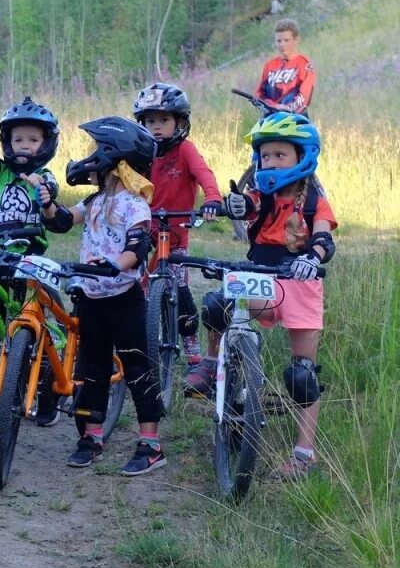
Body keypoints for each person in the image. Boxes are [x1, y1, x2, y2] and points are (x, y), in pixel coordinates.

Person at [185, 112, 336, 478]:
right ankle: (215, 364)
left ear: (302, 156)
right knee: (220, 304)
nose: (270, 162)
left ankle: (303, 454)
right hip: (261, 276)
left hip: (300, 282)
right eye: (265, 156)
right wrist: (237, 205)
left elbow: (323, 238)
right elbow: (250, 206)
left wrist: (312, 258)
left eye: (279, 155)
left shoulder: (313, 198)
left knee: (303, 376)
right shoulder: (261, 193)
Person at [46, 117, 166, 476]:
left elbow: (138, 246)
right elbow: (65, 220)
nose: (89, 157)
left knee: (137, 368)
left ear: (116, 158)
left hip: (124, 298)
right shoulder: (96, 199)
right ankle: (92, 436)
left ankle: (151, 443)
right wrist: (49, 205)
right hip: (92, 297)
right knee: (93, 369)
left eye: (96, 150)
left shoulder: (135, 205)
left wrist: (115, 264)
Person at [0, 96, 66, 425]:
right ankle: (1, 382)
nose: (24, 145)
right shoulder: (1, 173)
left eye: (33, 140)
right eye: (17, 139)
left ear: (46, 144)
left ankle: (48, 390)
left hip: (30, 257)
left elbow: (50, 192)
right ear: (8, 142)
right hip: (0, 253)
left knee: (38, 327)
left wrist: (44, 192)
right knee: (0, 321)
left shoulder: (44, 174)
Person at [132, 82, 222, 366]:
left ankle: (190, 337)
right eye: (150, 121)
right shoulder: (142, 153)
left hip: (176, 234)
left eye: (163, 120)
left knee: (179, 288)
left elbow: (204, 174)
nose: (156, 127)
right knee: (135, 286)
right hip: (145, 228)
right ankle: (134, 343)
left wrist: (212, 198)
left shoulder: (186, 150)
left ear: (180, 122)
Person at [254, 18, 316, 116]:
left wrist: (288, 108)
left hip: (296, 119)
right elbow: (260, 94)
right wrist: (274, 106)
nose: (282, 44)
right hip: (271, 118)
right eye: (279, 41)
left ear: (296, 40)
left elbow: (305, 95)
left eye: (286, 40)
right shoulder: (270, 65)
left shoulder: (304, 64)